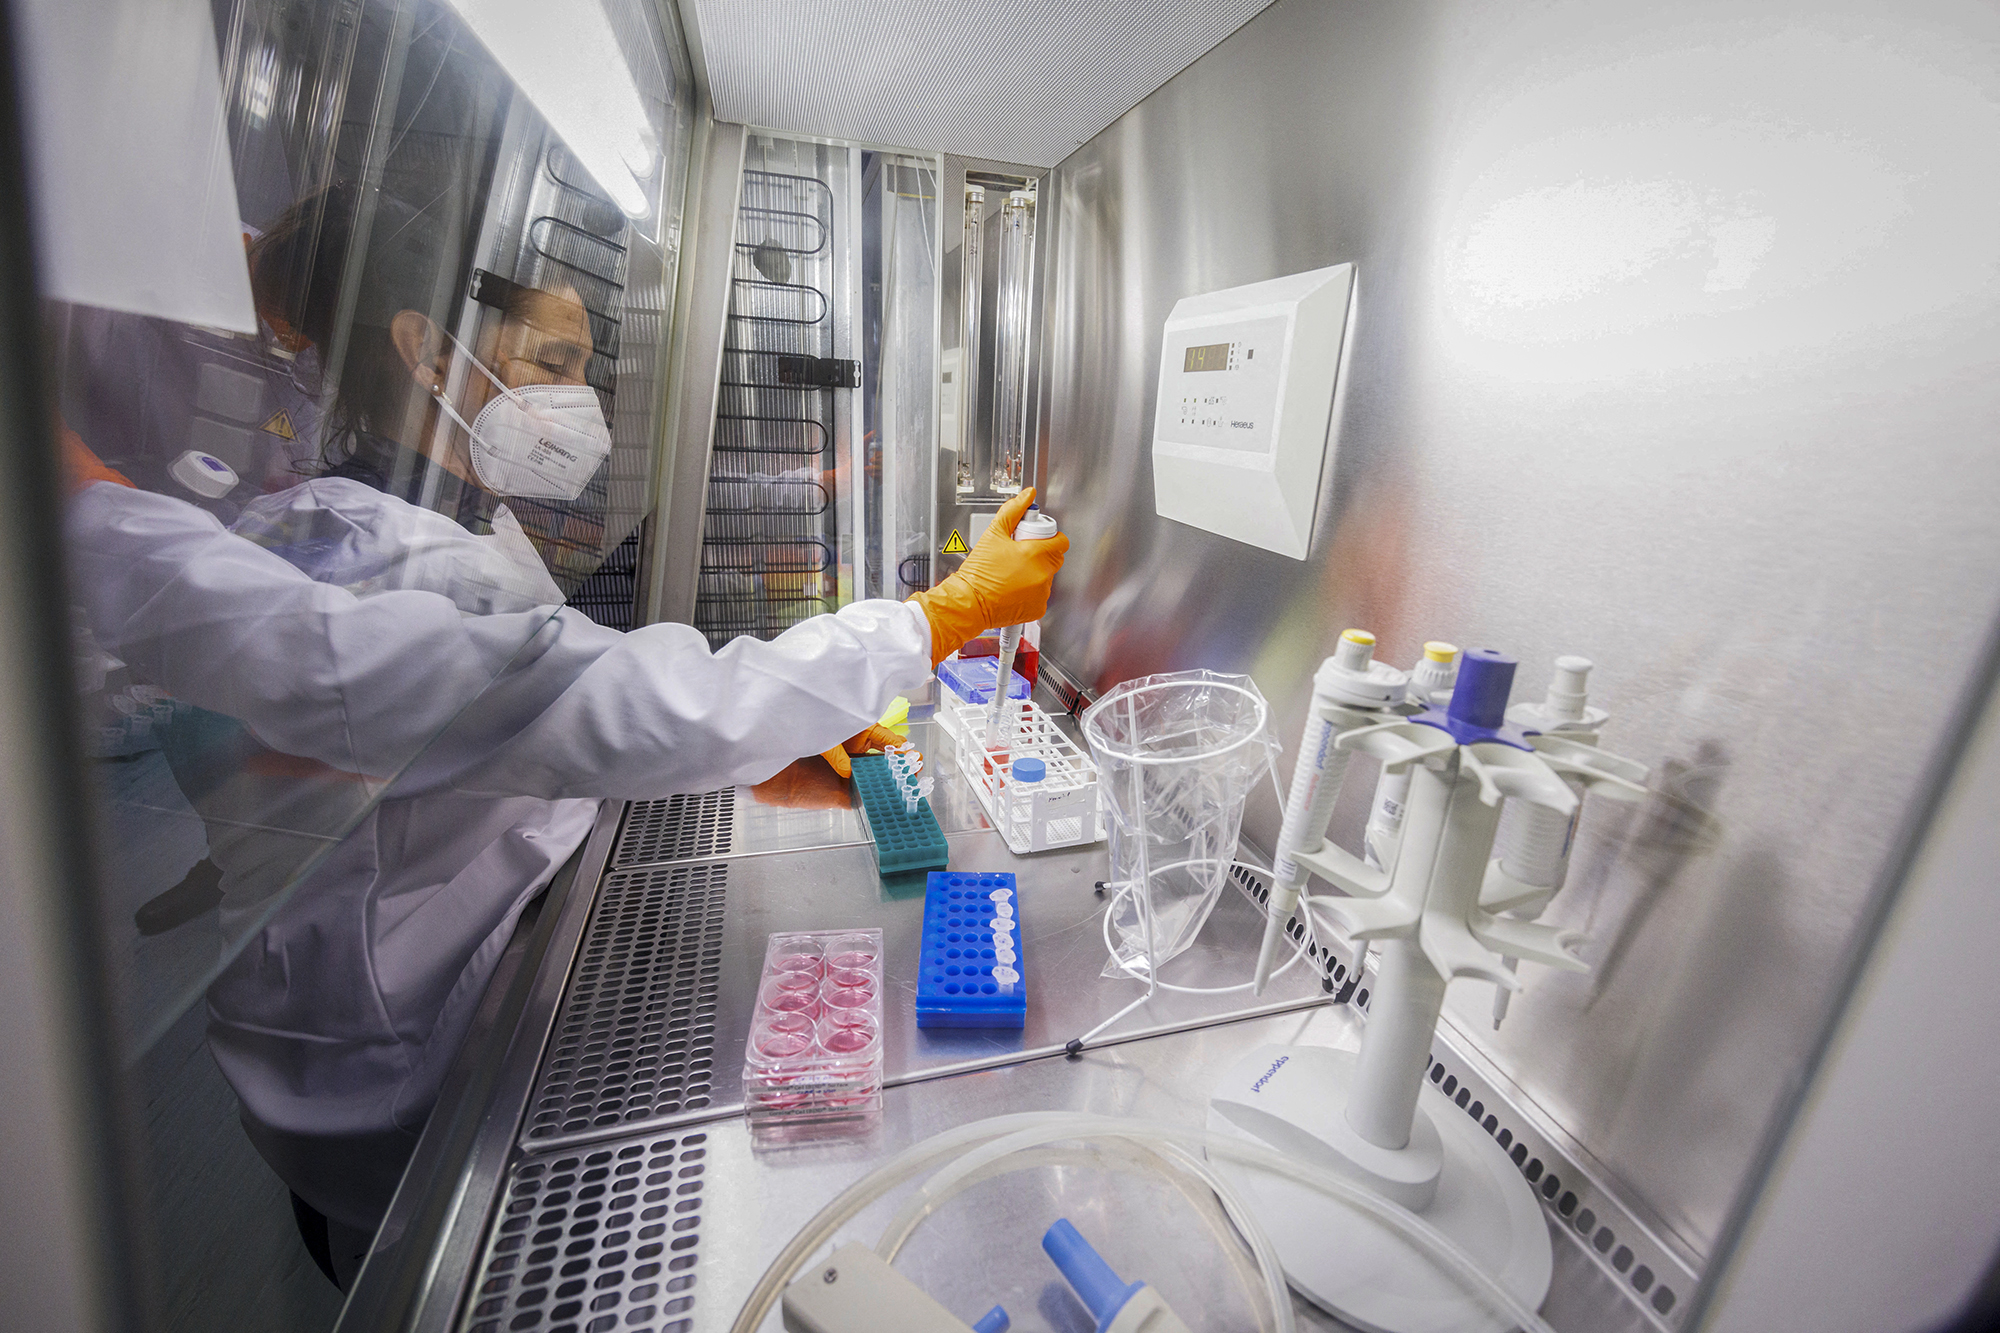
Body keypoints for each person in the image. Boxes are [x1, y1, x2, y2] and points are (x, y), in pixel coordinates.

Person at [64, 185, 1068, 1286]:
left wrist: (756, 757)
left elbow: (531, 736)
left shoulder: (450, 518)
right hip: (392, 1064)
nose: (576, 401)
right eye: (549, 363)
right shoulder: (375, 555)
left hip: (436, 979)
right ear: (431, 357)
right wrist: (942, 614)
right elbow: (574, 694)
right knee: (426, 1280)